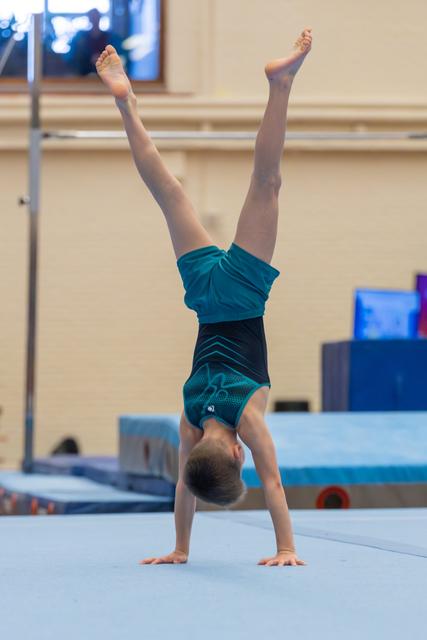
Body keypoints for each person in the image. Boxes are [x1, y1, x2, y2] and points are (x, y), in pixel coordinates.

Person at [96, 29, 312, 567]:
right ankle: (127, 105)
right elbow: (183, 488)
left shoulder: (249, 422)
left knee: (266, 182)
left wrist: (286, 547)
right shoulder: (190, 415)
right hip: (203, 295)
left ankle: (280, 85)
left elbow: (275, 486)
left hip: (243, 292)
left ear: (237, 453)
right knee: (167, 190)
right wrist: (179, 548)